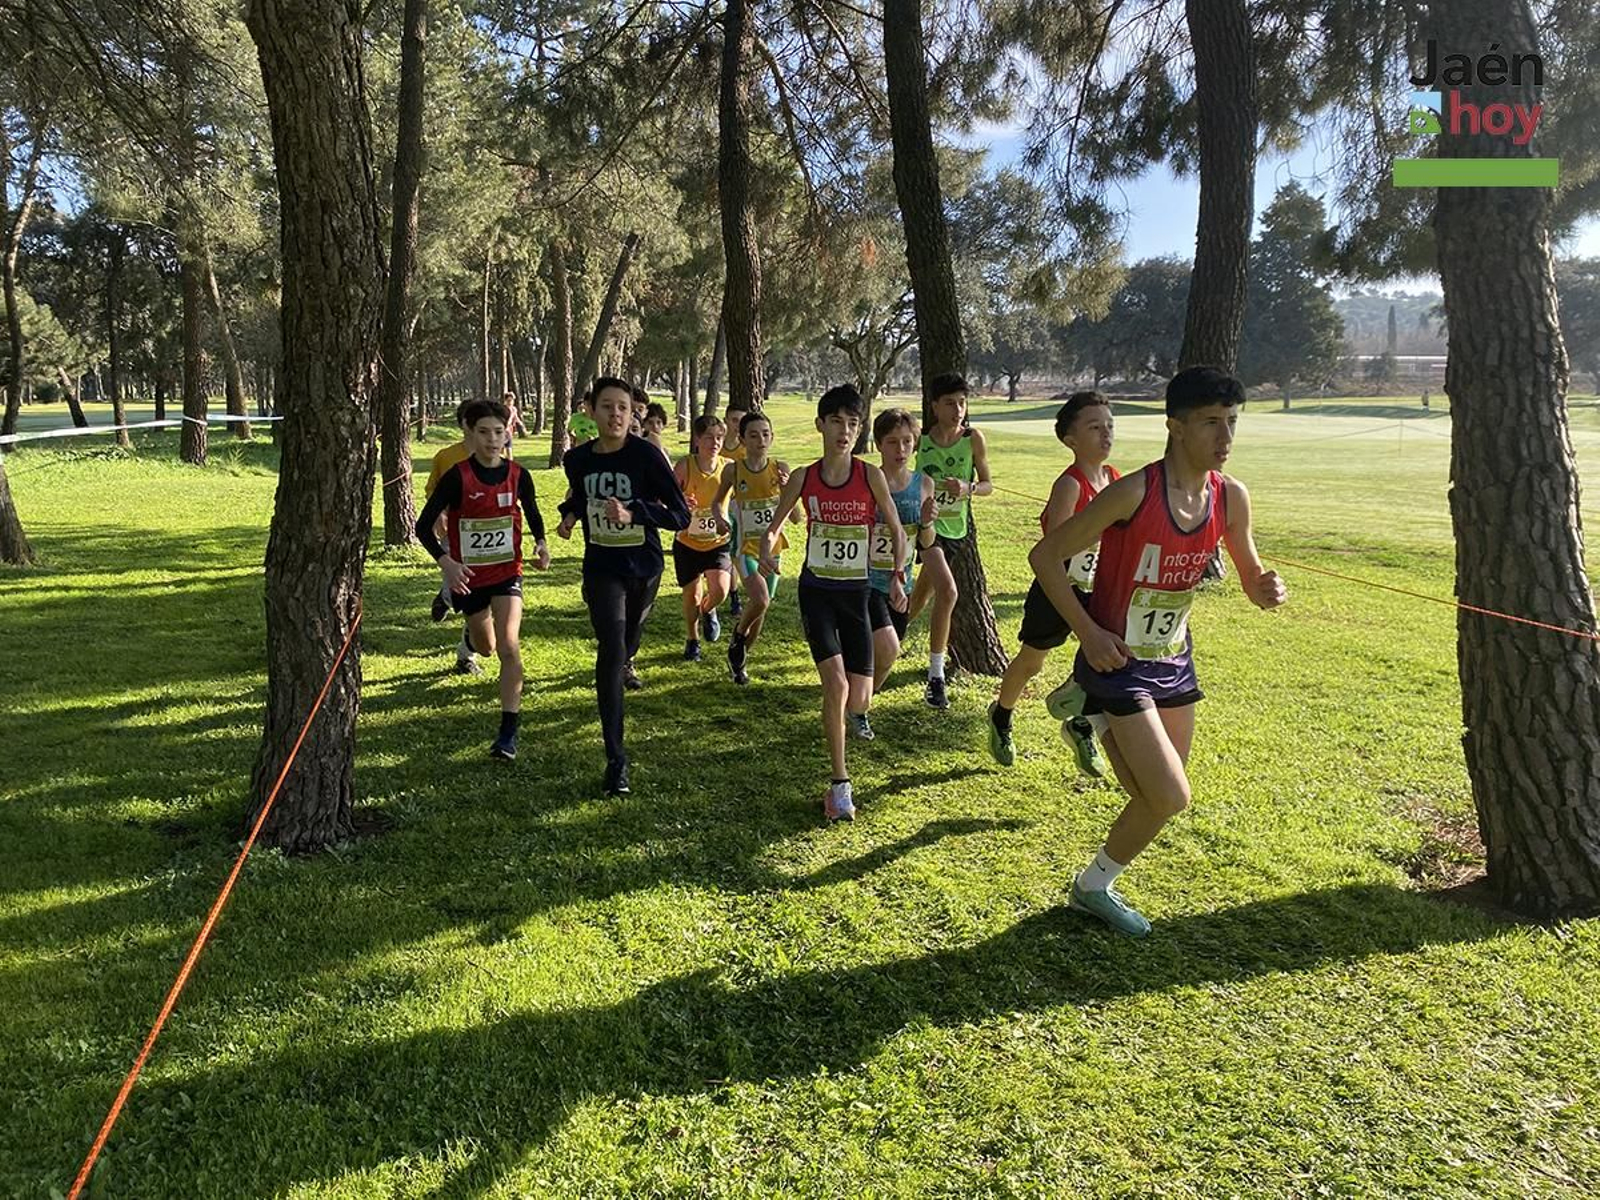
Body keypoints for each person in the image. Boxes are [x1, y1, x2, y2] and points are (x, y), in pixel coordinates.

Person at [1028, 366, 1288, 937]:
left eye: (1232, 423)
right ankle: (1092, 887)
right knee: (1169, 796)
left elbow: (1249, 574)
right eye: (1211, 423)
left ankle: (1089, 718)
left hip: (1173, 658)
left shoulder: (1230, 496)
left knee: (1147, 793)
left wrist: (1264, 589)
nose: (1225, 438)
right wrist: (1089, 634)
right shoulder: (1133, 492)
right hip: (1116, 660)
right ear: (1175, 427)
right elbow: (1046, 558)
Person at [761, 385, 907, 822]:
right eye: (837, 422)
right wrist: (768, 547)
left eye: (853, 423)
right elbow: (776, 522)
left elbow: (896, 531)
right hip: (818, 593)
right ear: (821, 425)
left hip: (858, 594)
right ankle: (840, 785)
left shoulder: (870, 476)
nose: (845, 431)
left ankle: (847, 719)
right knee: (837, 686)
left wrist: (897, 576)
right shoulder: (805, 477)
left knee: (858, 698)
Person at [557, 377, 690, 795]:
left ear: (633, 414)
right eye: (607, 406)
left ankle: (628, 656)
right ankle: (616, 758)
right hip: (601, 567)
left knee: (628, 641)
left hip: (645, 567)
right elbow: (580, 495)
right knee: (611, 649)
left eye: (624, 408)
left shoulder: (647, 456)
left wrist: (635, 513)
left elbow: (680, 516)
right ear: (591, 411)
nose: (616, 414)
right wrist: (570, 515)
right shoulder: (576, 459)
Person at [988, 392, 1118, 773]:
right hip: (1057, 588)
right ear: (1071, 440)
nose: (1106, 434)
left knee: (1110, 654)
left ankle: (1080, 721)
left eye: (1109, 426)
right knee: (1031, 662)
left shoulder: (1113, 479)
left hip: (1095, 588)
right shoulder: (1071, 485)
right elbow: (1055, 547)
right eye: (1095, 427)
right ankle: (1001, 716)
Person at [415, 398, 550, 760]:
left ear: (507, 433)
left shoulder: (519, 474)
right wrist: (447, 563)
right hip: (470, 577)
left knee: (508, 646)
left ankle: (508, 733)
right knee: (487, 646)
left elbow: (533, 512)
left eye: (499, 431)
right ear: (470, 435)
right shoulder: (457, 476)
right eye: (484, 432)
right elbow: (422, 526)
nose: (493, 439)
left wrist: (541, 544)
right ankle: (460, 617)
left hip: (508, 573)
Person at [908, 373, 991, 709]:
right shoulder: (920, 439)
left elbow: (988, 484)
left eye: (962, 402)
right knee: (948, 591)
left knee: (918, 602)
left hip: (957, 531)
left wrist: (968, 488)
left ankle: (883, 633)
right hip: (926, 528)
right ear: (934, 406)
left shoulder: (973, 439)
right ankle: (936, 677)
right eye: (949, 403)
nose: (957, 410)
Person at [424, 400, 516, 659]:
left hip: (493, 541)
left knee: (484, 598)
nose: (488, 436)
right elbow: (433, 491)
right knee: (462, 591)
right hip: (455, 534)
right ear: (466, 425)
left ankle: (466, 652)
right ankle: (447, 598)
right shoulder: (446, 457)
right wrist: (439, 515)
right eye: (479, 427)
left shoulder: (497, 455)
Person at [715, 409, 800, 685]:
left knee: (761, 609)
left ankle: (739, 660)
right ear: (742, 439)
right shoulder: (733, 470)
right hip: (745, 548)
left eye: (765, 434)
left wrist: (789, 492)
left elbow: (797, 517)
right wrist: (719, 518)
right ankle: (738, 636)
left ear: (772, 437)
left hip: (773, 551)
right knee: (760, 599)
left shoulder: (781, 469)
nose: (760, 440)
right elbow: (718, 502)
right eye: (753, 435)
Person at [868, 408, 937, 696]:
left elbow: (927, 542)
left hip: (901, 584)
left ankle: (859, 704)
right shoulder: (868, 481)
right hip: (867, 581)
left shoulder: (923, 483)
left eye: (907, 441)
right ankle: (855, 705)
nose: (901, 449)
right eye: (893, 442)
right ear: (879, 444)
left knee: (885, 657)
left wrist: (927, 521)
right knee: (888, 648)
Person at [672, 415, 733, 661]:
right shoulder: (685, 466)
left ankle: (709, 609)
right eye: (709, 437)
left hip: (717, 542)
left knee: (720, 591)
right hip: (687, 542)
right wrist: (680, 501)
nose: (715, 442)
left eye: (719, 437)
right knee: (691, 595)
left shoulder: (728, 467)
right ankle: (692, 640)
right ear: (697, 439)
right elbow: (664, 498)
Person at [719, 403, 749, 617]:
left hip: (739, 505)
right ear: (726, 420)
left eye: (741, 422)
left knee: (735, 550)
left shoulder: (746, 449)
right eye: (734, 420)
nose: (737, 426)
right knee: (722, 550)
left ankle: (734, 594)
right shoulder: (717, 445)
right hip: (718, 503)